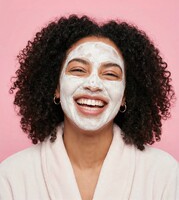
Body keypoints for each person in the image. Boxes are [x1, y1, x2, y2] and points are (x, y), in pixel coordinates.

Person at [0, 15, 178, 200]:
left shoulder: (164, 175)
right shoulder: (11, 177)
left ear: (125, 95)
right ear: (56, 87)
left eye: (110, 74)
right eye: (78, 70)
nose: (93, 84)